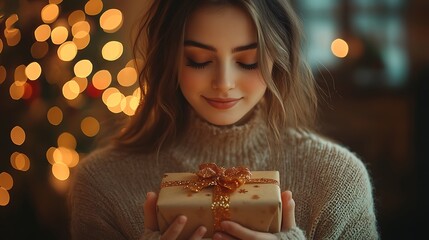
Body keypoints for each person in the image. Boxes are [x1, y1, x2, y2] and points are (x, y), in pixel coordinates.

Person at [69, 0, 379, 239]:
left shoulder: (335, 179)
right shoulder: (103, 184)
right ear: (170, 58)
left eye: (248, 62)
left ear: (279, 58)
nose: (224, 83)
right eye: (199, 61)